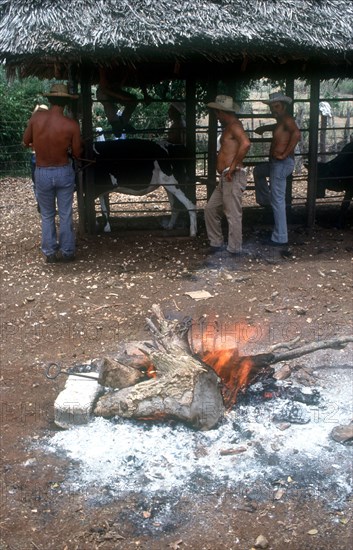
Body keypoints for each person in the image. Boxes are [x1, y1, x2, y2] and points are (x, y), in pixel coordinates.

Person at [22, 83, 82, 263]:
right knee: (65, 214)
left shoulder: (36, 119)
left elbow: (26, 142)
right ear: (66, 103)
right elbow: (78, 153)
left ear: (49, 99)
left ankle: (49, 253)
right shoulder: (71, 125)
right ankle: (67, 252)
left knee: (47, 215)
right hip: (63, 170)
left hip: (42, 172)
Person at [204, 95, 251, 260]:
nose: (216, 116)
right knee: (211, 209)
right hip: (226, 177)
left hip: (232, 176)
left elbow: (246, 143)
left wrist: (232, 167)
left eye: (217, 113)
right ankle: (217, 244)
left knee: (232, 214)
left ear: (222, 111)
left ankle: (234, 249)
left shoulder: (234, 126)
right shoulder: (230, 126)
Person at [253, 91, 301, 246]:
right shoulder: (281, 120)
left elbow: (297, 134)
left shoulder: (287, 119)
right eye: (272, 107)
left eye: (277, 106)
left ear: (284, 106)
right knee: (258, 171)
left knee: (278, 201)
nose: (274, 110)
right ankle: (265, 200)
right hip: (276, 164)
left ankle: (281, 237)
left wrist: (285, 153)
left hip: (281, 163)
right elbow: (279, 126)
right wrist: (265, 127)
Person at [96, 67, 139, 137]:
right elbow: (104, 89)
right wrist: (121, 97)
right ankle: (118, 124)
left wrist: (121, 96)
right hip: (103, 94)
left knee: (133, 101)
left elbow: (118, 87)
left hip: (113, 92)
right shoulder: (105, 74)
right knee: (108, 104)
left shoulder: (119, 75)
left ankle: (122, 123)